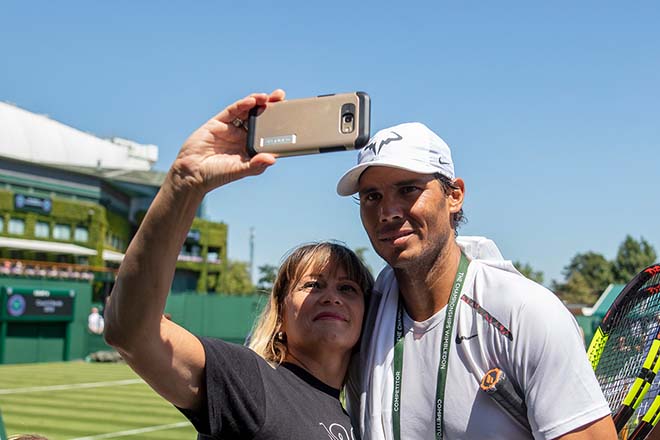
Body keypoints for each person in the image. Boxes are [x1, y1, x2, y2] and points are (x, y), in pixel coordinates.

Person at [103, 90, 374, 440]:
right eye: (312, 285)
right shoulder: (252, 380)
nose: (331, 297)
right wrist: (185, 183)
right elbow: (132, 333)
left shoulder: (353, 420)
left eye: (348, 288)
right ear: (280, 315)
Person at [337, 122, 617, 439]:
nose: (387, 211)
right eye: (372, 196)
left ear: (454, 195)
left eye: (408, 189)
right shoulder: (360, 321)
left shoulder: (527, 314)